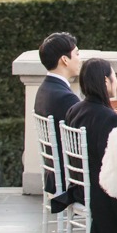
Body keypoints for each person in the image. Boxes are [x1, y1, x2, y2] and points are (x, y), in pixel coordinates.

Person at [62, 58, 117, 233]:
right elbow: (112, 164)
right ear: (105, 81)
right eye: (114, 77)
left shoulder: (75, 110)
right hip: (100, 194)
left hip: (79, 187)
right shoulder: (109, 117)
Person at [36, 32, 81, 196]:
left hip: (53, 176)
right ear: (64, 59)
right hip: (71, 180)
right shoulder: (65, 97)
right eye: (77, 54)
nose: (79, 59)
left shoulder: (44, 89)